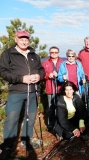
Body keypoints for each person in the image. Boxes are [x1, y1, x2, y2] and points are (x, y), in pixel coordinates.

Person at [0, 30, 45, 158]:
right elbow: (2, 71)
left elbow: (41, 70)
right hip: (17, 91)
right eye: (21, 39)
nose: (24, 41)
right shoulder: (8, 53)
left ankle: (26, 140)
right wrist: (21, 78)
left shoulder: (33, 54)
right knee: (12, 119)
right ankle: (7, 146)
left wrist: (39, 76)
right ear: (16, 39)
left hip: (32, 92)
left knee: (30, 118)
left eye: (26, 39)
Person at [42, 46, 64, 131]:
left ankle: (61, 124)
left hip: (60, 88)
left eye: (55, 52)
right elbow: (42, 74)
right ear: (49, 53)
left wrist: (58, 74)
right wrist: (48, 75)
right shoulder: (45, 63)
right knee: (51, 107)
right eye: (52, 52)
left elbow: (65, 72)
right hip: (50, 88)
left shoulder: (62, 62)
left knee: (61, 107)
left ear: (58, 53)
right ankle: (51, 125)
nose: (54, 54)